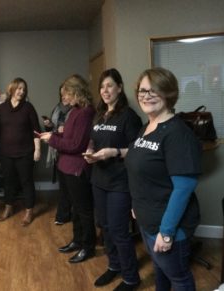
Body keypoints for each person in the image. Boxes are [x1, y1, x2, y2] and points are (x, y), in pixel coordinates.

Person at [125, 67, 201, 290]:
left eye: (153, 90)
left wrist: (167, 233)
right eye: (142, 90)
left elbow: (184, 187)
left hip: (168, 227)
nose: (146, 96)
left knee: (178, 277)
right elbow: (139, 169)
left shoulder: (178, 134)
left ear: (168, 94)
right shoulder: (146, 128)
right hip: (147, 218)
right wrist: (136, 205)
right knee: (160, 270)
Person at [84, 69, 143, 290]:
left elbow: (137, 150)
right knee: (105, 227)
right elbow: (93, 140)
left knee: (119, 230)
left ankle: (131, 277)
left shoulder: (129, 116)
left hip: (120, 182)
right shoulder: (99, 115)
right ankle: (114, 265)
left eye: (109, 86)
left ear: (119, 87)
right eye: (102, 87)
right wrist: (90, 151)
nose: (105, 90)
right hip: (98, 179)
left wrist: (114, 152)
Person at [39, 74, 96, 263]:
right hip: (67, 166)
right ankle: (77, 240)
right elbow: (69, 136)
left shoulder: (86, 112)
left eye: (68, 94)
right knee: (75, 209)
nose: (66, 99)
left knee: (83, 210)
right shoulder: (75, 111)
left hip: (77, 168)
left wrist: (52, 140)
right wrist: (53, 134)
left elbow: (76, 145)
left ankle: (88, 247)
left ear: (76, 92)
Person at [0, 78, 41, 226]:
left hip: (25, 153)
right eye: (19, 88)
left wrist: (37, 150)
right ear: (12, 89)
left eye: (24, 89)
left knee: (26, 182)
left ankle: (29, 211)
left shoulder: (28, 108)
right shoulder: (2, 108)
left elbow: (36, 131)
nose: (21, 91)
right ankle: (8, 208)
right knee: (8, 182)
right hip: (5, 153)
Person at [44, 85, 73, 225]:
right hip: (57, 149)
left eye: (66, 93)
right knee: (63, 184)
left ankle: (65, 214)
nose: (63, 97)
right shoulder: (57, 108)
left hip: (70, 149)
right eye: (61, 94)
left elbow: (76, 132)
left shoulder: (76, 110)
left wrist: (65, 129)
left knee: (69, 185)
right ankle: (63, 214)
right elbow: (52, 128)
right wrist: (48, 125)